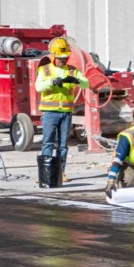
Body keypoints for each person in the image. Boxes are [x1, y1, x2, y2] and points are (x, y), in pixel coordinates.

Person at [35, 37, 88, 186]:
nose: (63, 61)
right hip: (50, 112)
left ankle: (60, 172)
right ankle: (45, 173)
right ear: (53, 56)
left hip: (65, 112)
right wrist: (52, 82)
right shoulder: (45, 69)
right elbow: (38, 87)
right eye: (60, 58)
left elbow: (86, 83)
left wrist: (77, 81)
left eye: (65, 58)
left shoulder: (72, 70)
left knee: (63, 145)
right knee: (48, 143)